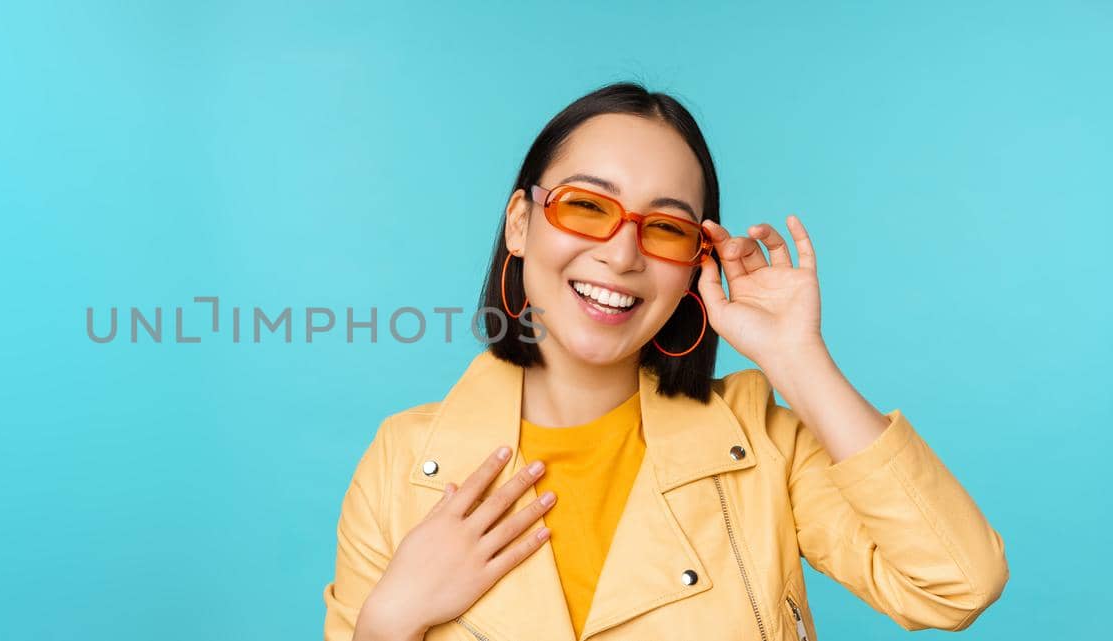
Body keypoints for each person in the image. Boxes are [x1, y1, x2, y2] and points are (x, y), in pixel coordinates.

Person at [322, 83, 1008, 641]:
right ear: (520, 224)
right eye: (587, 206)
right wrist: (386, 624)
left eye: (668, 227)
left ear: (694, 267)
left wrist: (797, 360)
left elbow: (955, 582)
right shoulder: (401, 463)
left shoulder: (762, 442)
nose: (622, 254)